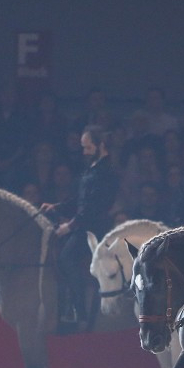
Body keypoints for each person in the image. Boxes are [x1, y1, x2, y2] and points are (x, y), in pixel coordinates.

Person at [42, 125, 119, 328]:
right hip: (84, 224)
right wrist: (57, 207)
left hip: (94, 229)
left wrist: (69, 226)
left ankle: (79, 311)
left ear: (100, 146)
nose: (84, 152)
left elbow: (92, 208)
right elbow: (80, 200)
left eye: (87, 147)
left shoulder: (105, 172)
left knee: (66, 258)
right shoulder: (93, 169)